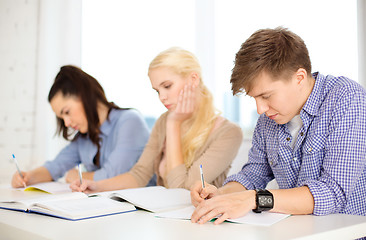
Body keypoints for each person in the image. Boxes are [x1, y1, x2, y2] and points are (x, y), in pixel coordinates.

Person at [190, 27, 366, 225]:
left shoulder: (347, 98)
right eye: (254, 98)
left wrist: (254, 199)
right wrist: (221, 196)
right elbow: (253, 175)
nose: (260, 109)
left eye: (266, 96)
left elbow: (333, 192)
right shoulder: (269, 118)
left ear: (299, 78)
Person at [70, 47, 243, 193]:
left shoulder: (228, 133)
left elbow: (182, 191)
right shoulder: (163, 121)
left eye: (167, 86)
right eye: (157, 90)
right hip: (164, 220)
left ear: (193, 79)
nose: (162, 97)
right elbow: (139, 175)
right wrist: (96, 186)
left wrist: (174, 124)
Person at [11, 65, 150, 187]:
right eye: (62, 117)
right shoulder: (84, 137)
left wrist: (77, 176)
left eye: (67, 112)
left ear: (84, 96)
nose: (66, 123)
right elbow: (56, 166)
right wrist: (28, 177)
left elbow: (113, 176)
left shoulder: (130, 121)